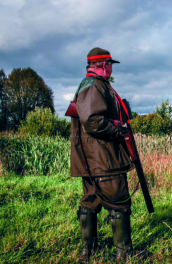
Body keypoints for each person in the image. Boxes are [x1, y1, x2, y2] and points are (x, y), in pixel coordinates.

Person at [69, 47, 134, 261]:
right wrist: (118, 130)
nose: (111, 69)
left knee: (91, 201)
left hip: (92, 160)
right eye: (110, 65)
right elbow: (92, 121)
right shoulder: (94, 86)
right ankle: (125, 256)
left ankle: (89, 252)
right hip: (104, 159)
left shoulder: (91, 85)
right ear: (104, 65)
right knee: (119, 202)